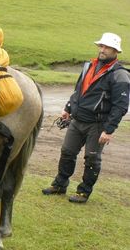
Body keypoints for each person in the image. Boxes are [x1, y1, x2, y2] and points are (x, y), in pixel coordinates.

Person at [42, 33, 130, 203]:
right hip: (77, 119)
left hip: (98, 124)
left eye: (107, 47)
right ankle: (60, 184)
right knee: (67, 152)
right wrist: (68, 107)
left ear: (115, 51)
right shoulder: (89, 65)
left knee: (92, 159)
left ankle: (84, 192)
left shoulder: (120, 75)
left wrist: (109, 130)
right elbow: (79, 90)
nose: (102, 50)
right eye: (101, 46)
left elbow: (121, 106)